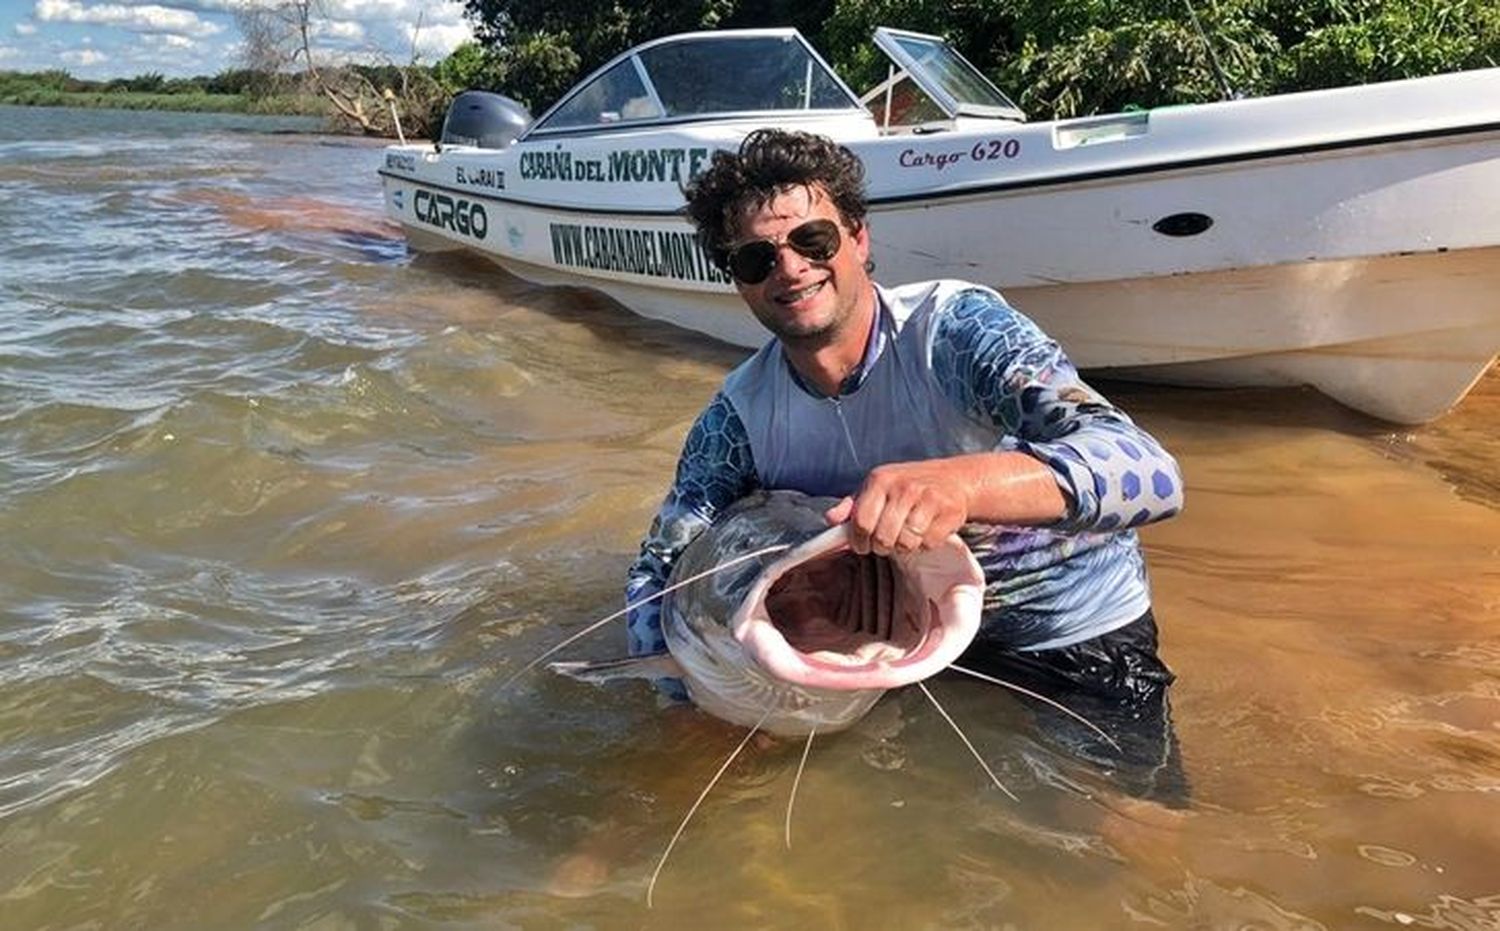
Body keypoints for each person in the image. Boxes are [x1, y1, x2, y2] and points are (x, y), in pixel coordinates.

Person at [625, 128, 1186, 799]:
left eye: (813, 240)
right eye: (756, 259)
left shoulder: (955, 331)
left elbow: (1151, 473)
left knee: (1142, 836)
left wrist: (962, 483)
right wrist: (682, 695)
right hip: (882, 640)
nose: (790, 269)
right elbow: (660, 567)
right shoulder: (738, 414)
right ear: (738, 282)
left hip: (1066, 624)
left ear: (859, 239)